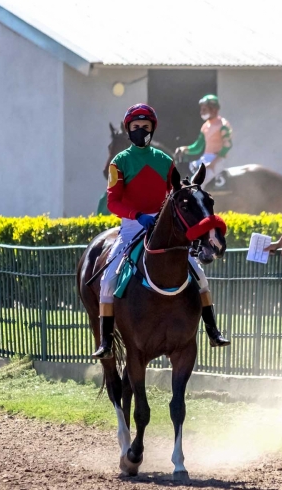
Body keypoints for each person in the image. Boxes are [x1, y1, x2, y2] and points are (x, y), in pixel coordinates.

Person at [93, 103, 229, 360]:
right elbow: (113, 201)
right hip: (133, 225)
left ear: (152, 129)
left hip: (164, 225)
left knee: (199, 274)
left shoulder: (165, 161)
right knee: (108, 278)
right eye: (136, 127)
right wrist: (137, 216)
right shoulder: (119, 162)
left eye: (145, 127)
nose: (141, 130)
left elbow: (175, 191)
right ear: (128, 129)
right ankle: (107, 341)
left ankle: (212, 330)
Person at [174, 95, 233, 189]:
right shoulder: (205, 126)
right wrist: (184, 149)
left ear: (213, 109)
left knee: (195, 184)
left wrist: (214, 163)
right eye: (201, 109)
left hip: (217, 159)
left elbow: (227, 146)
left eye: (204, 109)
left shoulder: (223, 125)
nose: (201, 112)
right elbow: (197, 147)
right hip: (204, 159)